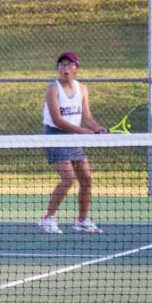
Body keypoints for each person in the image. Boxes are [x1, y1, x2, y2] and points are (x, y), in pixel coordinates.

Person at [40, 51, 107, 234]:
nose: (65, 68)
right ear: (58, 69)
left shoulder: (83, 89)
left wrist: (97, 128)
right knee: (68, 178)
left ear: (76, 68)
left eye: (70, 65)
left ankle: (82, 220)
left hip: (73, 138)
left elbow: (87, 117)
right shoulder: (52, 89)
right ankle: (48, 218)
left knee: (86, 179)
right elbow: (57, 119)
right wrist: (83, 132)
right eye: (62, 65)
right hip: (55, 137)